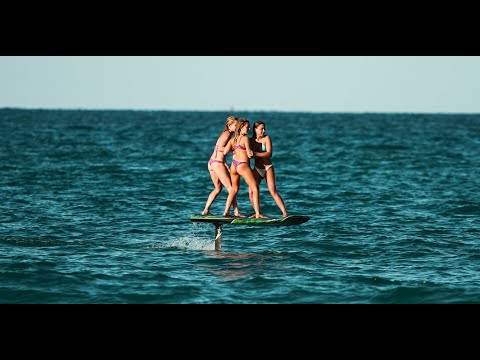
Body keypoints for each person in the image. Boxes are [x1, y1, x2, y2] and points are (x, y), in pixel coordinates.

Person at [202, 116, 245, 217]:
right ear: (229, 125)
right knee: (232, 189)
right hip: (217, 163)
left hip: (212, 162)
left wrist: (226, 165)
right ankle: (236, 212)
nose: (237, 127)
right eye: (235, 125)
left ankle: (206, 210)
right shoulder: (226, 134)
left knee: (218, 188)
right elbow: (220, 149)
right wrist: (235, 149)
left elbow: (218, 150)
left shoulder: (225, 134)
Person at [223, 119, 267, 219]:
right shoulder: (245, 139)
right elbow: (249, 154)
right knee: (255, 188)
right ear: (241, 127)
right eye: (247, 127)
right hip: (243, 165)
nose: (249, 129)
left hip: (233, 165)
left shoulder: (233, 139)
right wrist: (257, 154)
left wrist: (235, 152)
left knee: (234, 189)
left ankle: (226, 211)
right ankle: (257, 214)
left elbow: (225, 152)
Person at [248, 120, 288, 218]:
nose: (264, 131)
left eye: (264, 129)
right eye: (261, 129)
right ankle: (258, 213)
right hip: (257, 168)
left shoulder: (266, 138)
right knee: (251, 191)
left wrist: (256, 154)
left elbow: (269, 153)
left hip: (267, 168)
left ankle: (285, 213)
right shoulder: (250, 140)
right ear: (255, 129)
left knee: (272, 191)